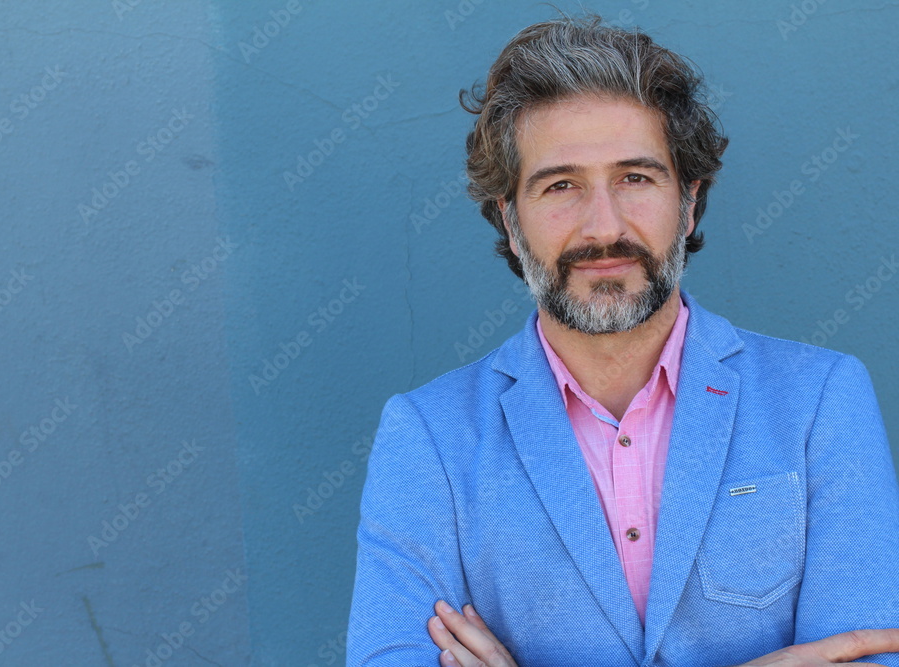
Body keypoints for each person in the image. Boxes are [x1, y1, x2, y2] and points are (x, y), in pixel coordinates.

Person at [346, 13, 899, 667]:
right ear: (511, 219)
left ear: (689, 201)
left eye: (636, 178)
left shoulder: (821, 402)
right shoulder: (428, 437)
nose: (602, 226)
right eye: (561, 185)